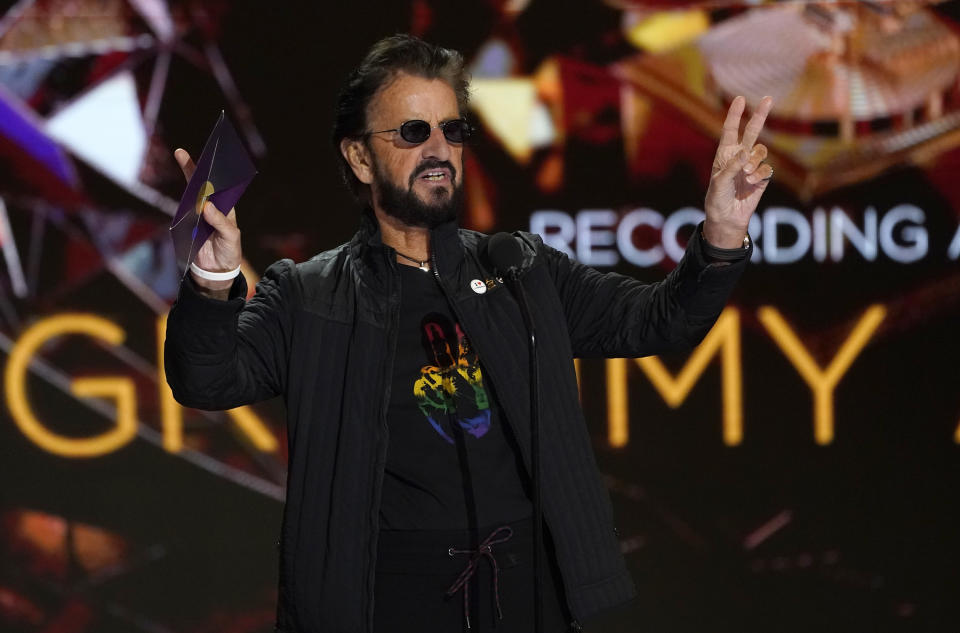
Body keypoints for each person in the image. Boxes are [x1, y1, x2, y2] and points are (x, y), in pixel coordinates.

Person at [165, 34, 773, 633]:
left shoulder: (521, 271)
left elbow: (661, 319)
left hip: (525, 595)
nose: (439, 149)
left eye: (452, 131)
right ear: (357, 156)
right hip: (385, 603)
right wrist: (214, 276)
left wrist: (720, 234)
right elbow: (205, 378)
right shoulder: (309, 294)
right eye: (412, 132)